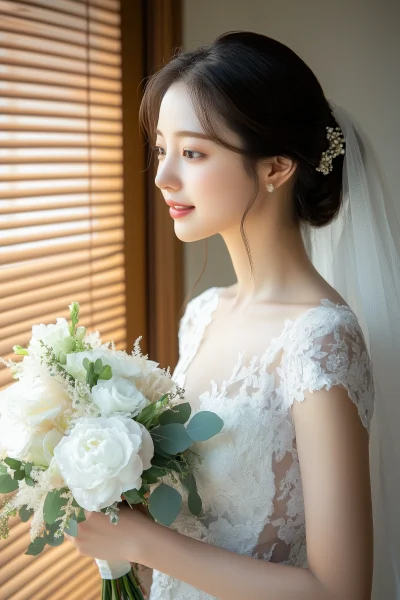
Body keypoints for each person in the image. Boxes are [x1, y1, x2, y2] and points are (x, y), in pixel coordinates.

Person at [67, 31, 400, 599]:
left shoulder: (320, 340)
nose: (163, 177)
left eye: (192, 153)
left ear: (275, 167)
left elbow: (341, 591)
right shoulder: (201, 314)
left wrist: (141, 543)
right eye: (161, 150)